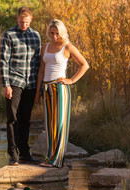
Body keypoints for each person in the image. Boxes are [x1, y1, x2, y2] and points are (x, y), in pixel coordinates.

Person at [35, 19, 89, 168]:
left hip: (60, 89)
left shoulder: (68, 47)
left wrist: (71, 80)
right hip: (46, 89)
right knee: (49, 125)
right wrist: (37, 92)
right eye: (52, 33)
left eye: (57, 33)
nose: (54, 36)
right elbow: (41, 70)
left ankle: (57, 160)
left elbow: (85, 65)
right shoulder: (45, 47)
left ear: (62, 32)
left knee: (59, 124)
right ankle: (50, 158)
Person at [0, 7, 41, 166]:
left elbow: (38, 62)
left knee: (25, 120)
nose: (24, 24)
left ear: (31, 19)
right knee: (12, 119)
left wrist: (38, 87)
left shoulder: (36, 36)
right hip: (14, 82)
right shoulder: (9, 35)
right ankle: (13, 154)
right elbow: (4, 61)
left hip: (30, 83)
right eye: (21, 22)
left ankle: (25, 153)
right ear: (17, 19)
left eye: (27, 22)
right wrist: (6, 85)